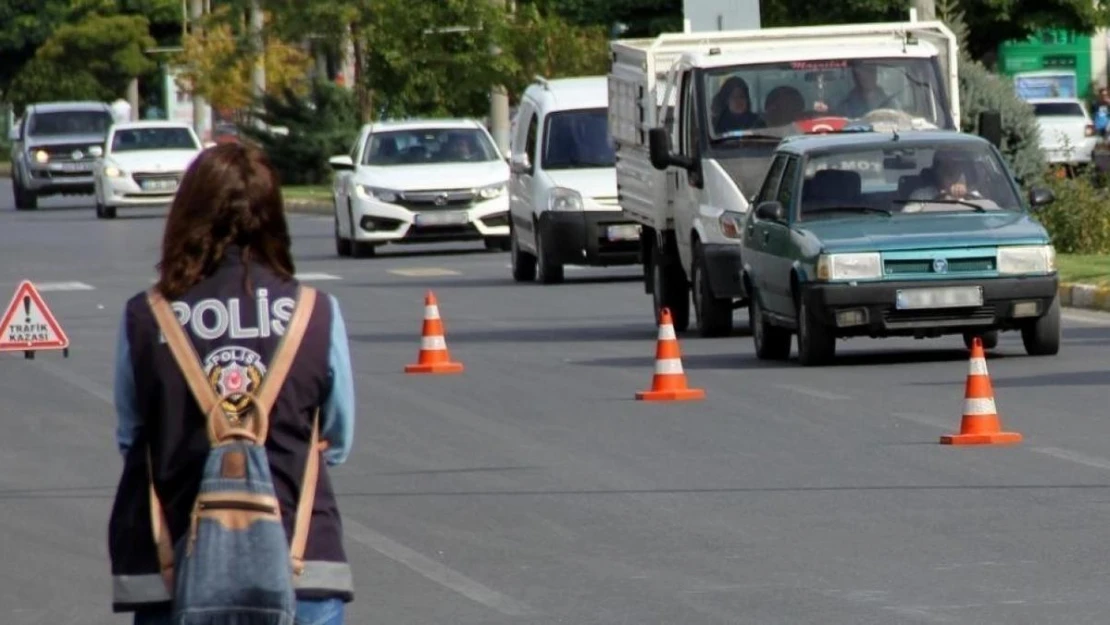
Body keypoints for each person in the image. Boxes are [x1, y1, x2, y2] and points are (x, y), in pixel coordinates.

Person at [107, 143, 357, 625]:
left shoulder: (146, 316)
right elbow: (338, 439)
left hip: (175, 569)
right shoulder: (315, 312)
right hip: (299, 564)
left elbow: (130, 437)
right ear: (273, 216)